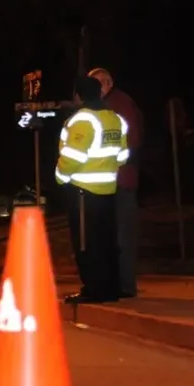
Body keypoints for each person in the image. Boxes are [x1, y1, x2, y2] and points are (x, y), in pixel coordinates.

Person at [55, 76, 129, 304]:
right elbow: (123, 156)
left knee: (87, 243)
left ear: (78, 95)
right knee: (107, 240)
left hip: (83, 191)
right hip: (108, 190)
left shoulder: (83, 120)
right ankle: (111, 287)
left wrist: (60, 177)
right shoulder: (114, 119)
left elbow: (73, 157)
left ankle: (94, 289)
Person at [88, 67, 144, 298]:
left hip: (120, 179)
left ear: (109, 83)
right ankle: (117, 284)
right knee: (113, 234)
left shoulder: (118, 105)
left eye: (100, 83)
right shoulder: (110, 105)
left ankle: (124, 286)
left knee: (121, 235)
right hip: (112, 179)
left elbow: (130, 140)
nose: (97, 88)